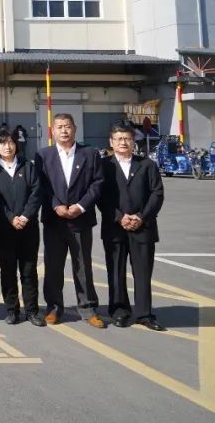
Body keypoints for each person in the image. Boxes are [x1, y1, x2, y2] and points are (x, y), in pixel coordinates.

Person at [37, 113, 106, 328]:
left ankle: (88, 308)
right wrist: (56, 205)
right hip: (54, 220)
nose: (64, 130)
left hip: (81, 219)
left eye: (67, 126)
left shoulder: (90, 153)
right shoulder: (43, 155)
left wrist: (81, 206)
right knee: (53, 266)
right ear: (53, 131)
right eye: (59, 127)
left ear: (75, 128)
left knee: (82, 265)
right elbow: (41, 185)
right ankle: (53, 308)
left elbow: (98, 183)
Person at [99, 121, 166, 331]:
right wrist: (119, 217)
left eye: (127, 138)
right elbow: (100, 196)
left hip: (143, 228)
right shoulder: (104, 166)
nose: (123, 142)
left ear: (133, 141)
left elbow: (157, 193)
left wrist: (141, 217)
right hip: (114, 228)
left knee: (143, 272)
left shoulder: (147, 165)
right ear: (111, 142)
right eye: (119, 139)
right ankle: (119, 311)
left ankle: (144, 314)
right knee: (116, 271)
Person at [0, 126, 45, 326]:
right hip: (4, 228)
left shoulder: (28, 166)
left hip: (29, 228)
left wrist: (25, 217)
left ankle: (32, 310)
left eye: (11, 142)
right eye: (2, 143)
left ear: (16, 145)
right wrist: (11, 218)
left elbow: (36, 193)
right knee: (8, 270)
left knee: (29, 270)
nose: (7, 146)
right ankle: (12, 310)